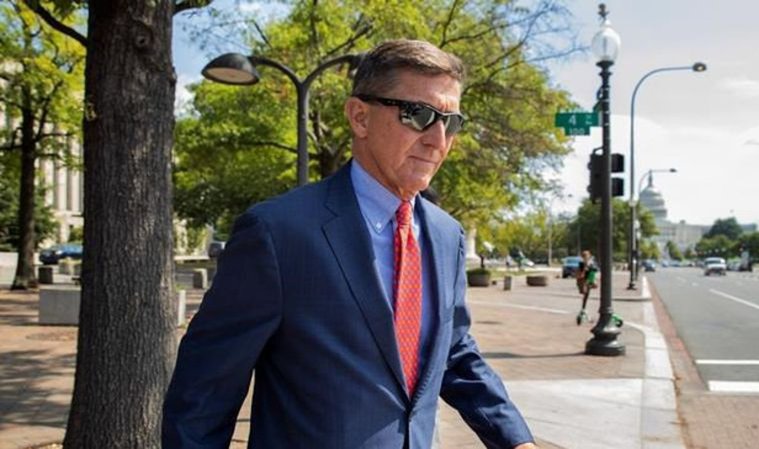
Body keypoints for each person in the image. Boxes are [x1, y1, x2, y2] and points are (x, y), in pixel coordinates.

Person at [162, 39, 538, 449]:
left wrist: (515, 440)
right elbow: (202, 398)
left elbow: (454, 352)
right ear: (360, 117)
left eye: (450, 122)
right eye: (419, 114)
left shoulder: (448, 236)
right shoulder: (277, 232)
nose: (438, 139)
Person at [576, 250, 597, 325]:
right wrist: (584, 270)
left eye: (587, 256)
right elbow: (579, 275)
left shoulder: (591, 263)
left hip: (589, 281)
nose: (586, 258)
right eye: (584, 256)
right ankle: (583, 310)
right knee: (585, 293)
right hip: (583, 281)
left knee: (586, 295)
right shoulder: (581, 264)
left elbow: (595, 270)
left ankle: (584, 309)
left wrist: (590, 268)